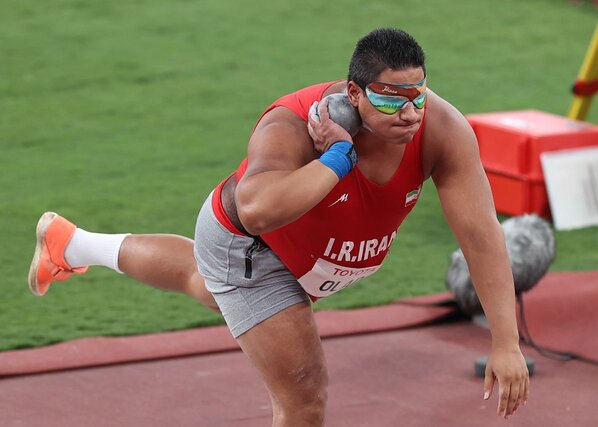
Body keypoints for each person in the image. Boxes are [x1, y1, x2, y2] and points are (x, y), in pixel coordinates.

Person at [28, 28, 530, 426]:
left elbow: (481, 233)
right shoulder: (291, 125)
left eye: (416, 96)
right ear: (353, 93)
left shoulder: (442, 130)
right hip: (251, 247)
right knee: (305, 396)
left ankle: (71, 244)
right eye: (390, 98)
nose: (408, 112)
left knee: (199, 282)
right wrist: (339, 156)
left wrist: (505, 340)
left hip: (308, 257)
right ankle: (75, 246)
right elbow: (257, 209)